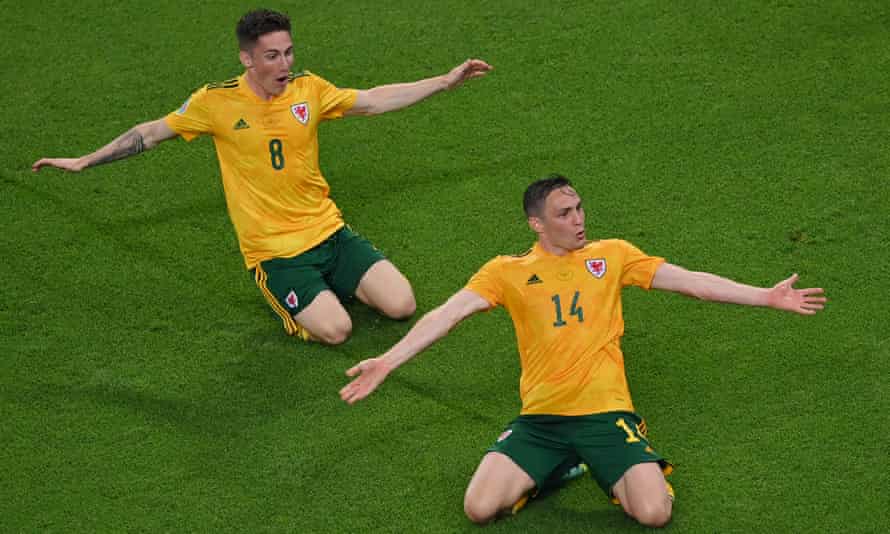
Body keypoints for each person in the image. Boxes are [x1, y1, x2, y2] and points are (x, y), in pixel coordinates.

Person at [339, 175, 827, 527]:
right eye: (564, 213)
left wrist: (766, 296)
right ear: (536, 223)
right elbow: (444, 316)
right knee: (478, 508)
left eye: (579, 209)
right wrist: (387, 360)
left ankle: (618, 463)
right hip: (542, 420)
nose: (578, 220)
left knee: (654, 514)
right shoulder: (505, 272)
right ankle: (558, 467)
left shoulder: (611, 255)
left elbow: (691, 283)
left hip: (606, 414)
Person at [31, 9, 492, 345]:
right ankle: (291, 301)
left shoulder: (308, 90)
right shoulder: (216, 102)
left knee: (402, 305)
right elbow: (151, 133)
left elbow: (371, 100)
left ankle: (327, 287)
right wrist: (85, 160)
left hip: (329, 233)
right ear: (248, 59)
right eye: (272, 56)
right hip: (275, 254)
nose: (284, 65)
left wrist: (443, 82)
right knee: (337, 331)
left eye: (288, 52)